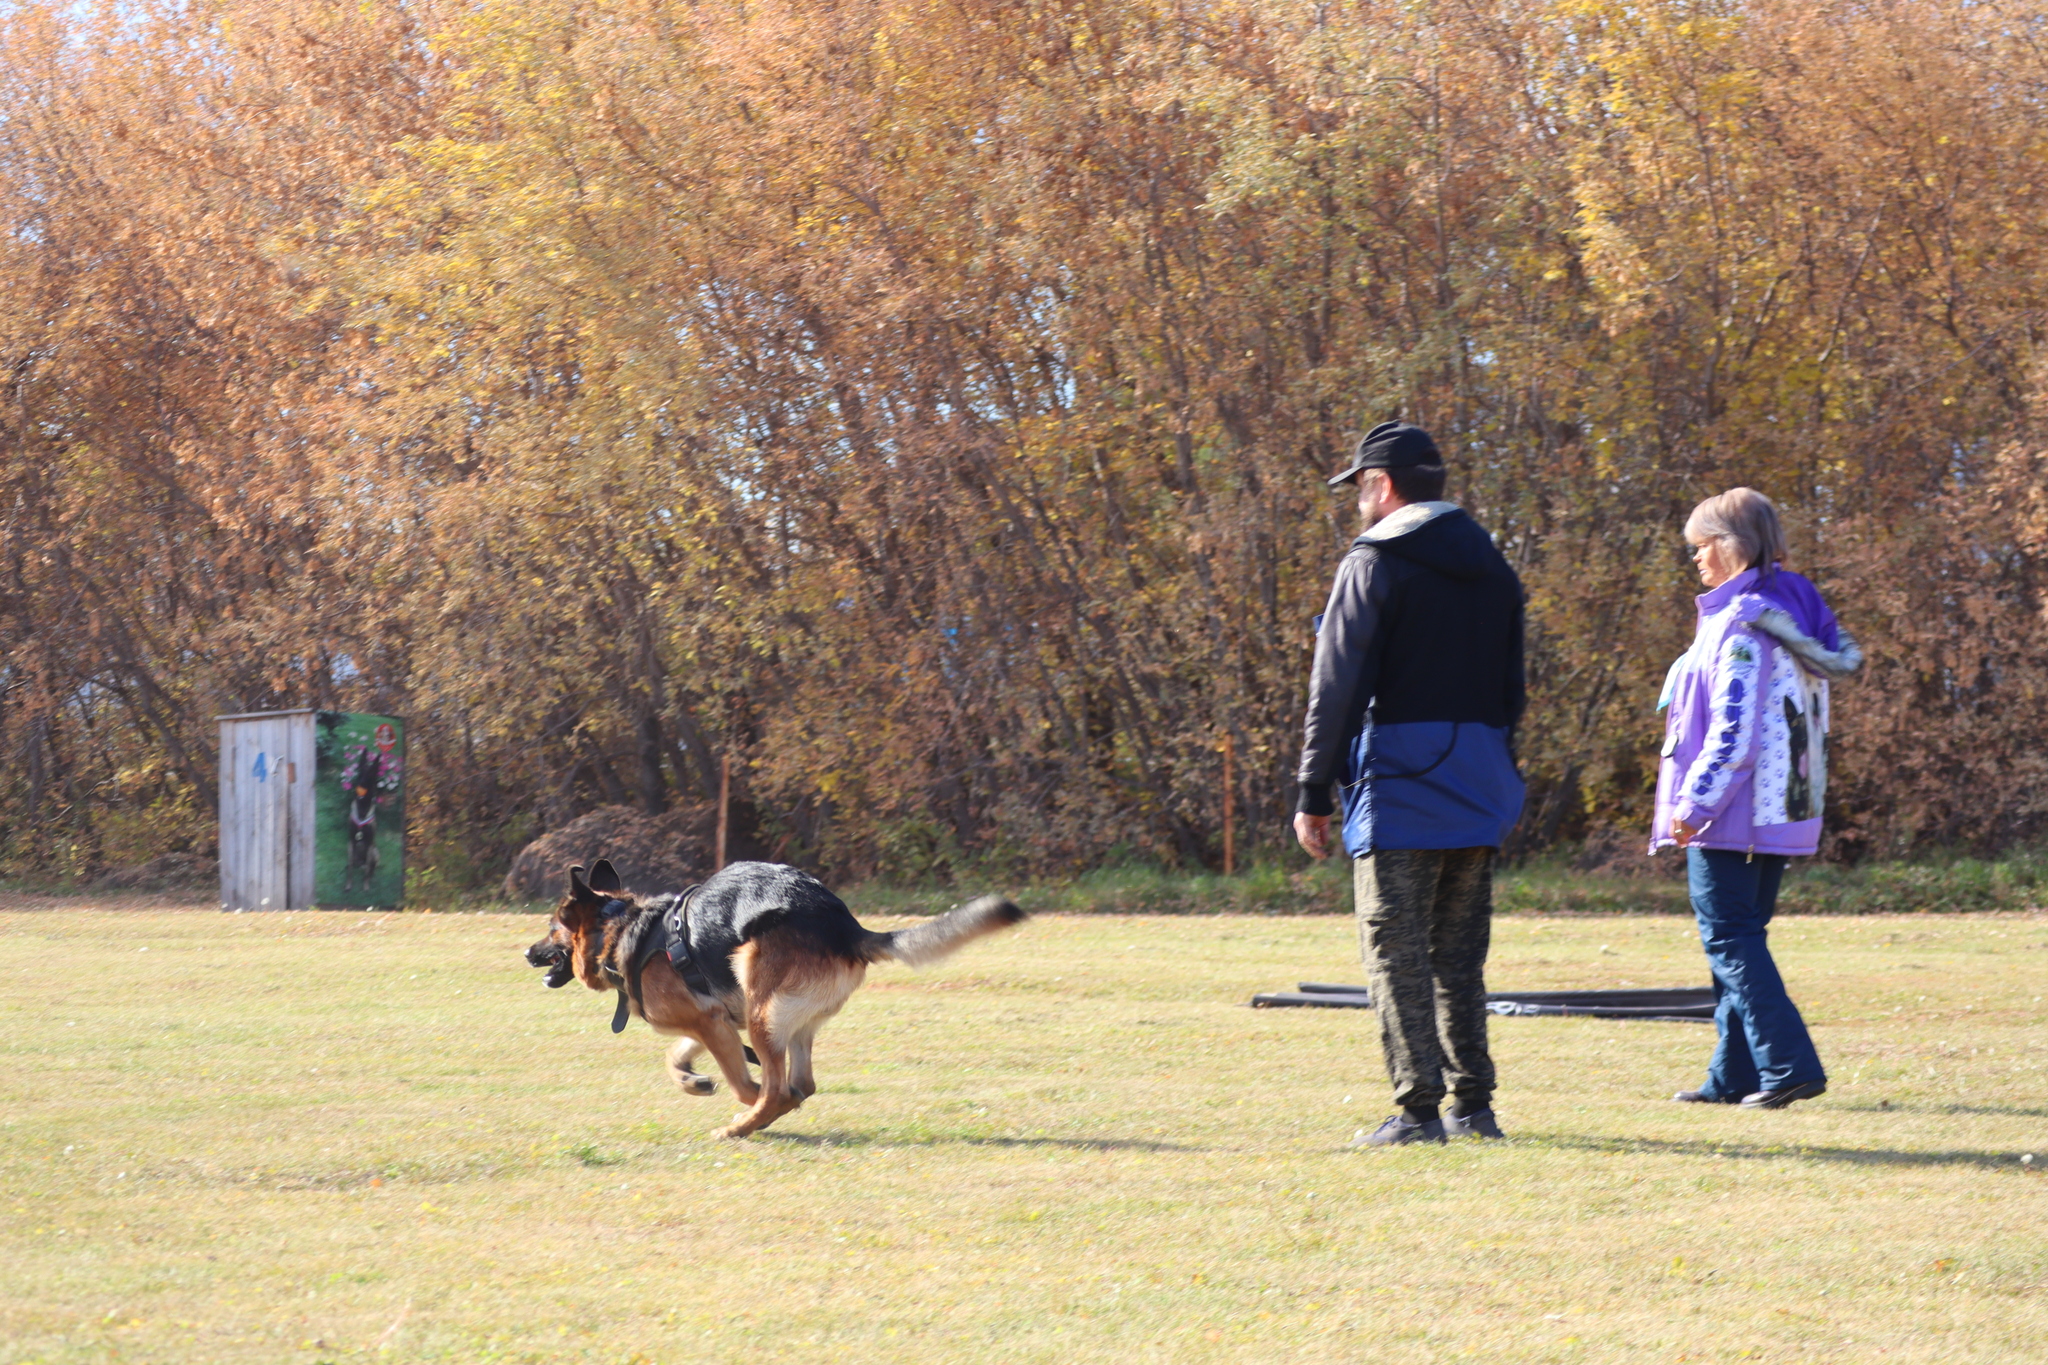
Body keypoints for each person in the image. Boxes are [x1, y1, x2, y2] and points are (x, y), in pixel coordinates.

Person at [1293, 422, 1527, 1146]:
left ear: (1382, 486)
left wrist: (1313, 788)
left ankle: (1417, 1110)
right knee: (1460, 953)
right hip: (1480, 772)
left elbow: (1336, 683)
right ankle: (1473, 1104)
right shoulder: (1494, 566)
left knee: (1394, 946)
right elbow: (1514, 687)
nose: (1357, 501)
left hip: (1399, 777)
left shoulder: (1372, 562)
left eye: (1360, 486)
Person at [1652, 487, 1856, 1109]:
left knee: (1730, 938)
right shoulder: (1787, 610)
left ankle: (1787, 1065)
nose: (1695, 558)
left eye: (1702, 545)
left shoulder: (1742, 623)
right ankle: (1732, 1074)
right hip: (1778, 809)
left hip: (1733, 815)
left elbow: (1732, 732)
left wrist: (1693, 807)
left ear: (1732, 546)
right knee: (1740, 937)